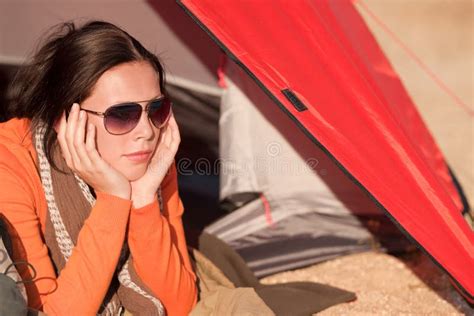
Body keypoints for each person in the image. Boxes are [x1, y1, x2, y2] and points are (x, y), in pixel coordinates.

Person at [0, 21, 197, 315]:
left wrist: (143, 199)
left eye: (156, 108)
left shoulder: (153, 156)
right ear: (67, 118)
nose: (146, 131)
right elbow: (49, 313)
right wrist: (114, 200)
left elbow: (182, 306)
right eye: (122, 114)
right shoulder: (11, 164)